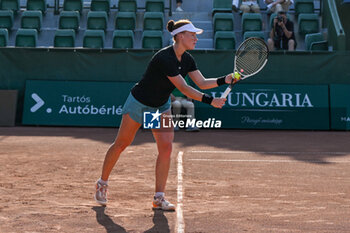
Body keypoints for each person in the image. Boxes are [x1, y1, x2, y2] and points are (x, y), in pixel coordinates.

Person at [94, 19, 234, 211]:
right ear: (180, 36)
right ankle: (102, 183)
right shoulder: (164, 58)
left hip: (159, 108)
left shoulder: (187, 59)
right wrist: (211, 101)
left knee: (166, 148)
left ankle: (158, 198)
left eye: (195, 35)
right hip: (139, 105)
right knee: (122, 144)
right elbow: (184, 88)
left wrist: (224, 80)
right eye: (192, 35)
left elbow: (201, 82)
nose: (195, 38)